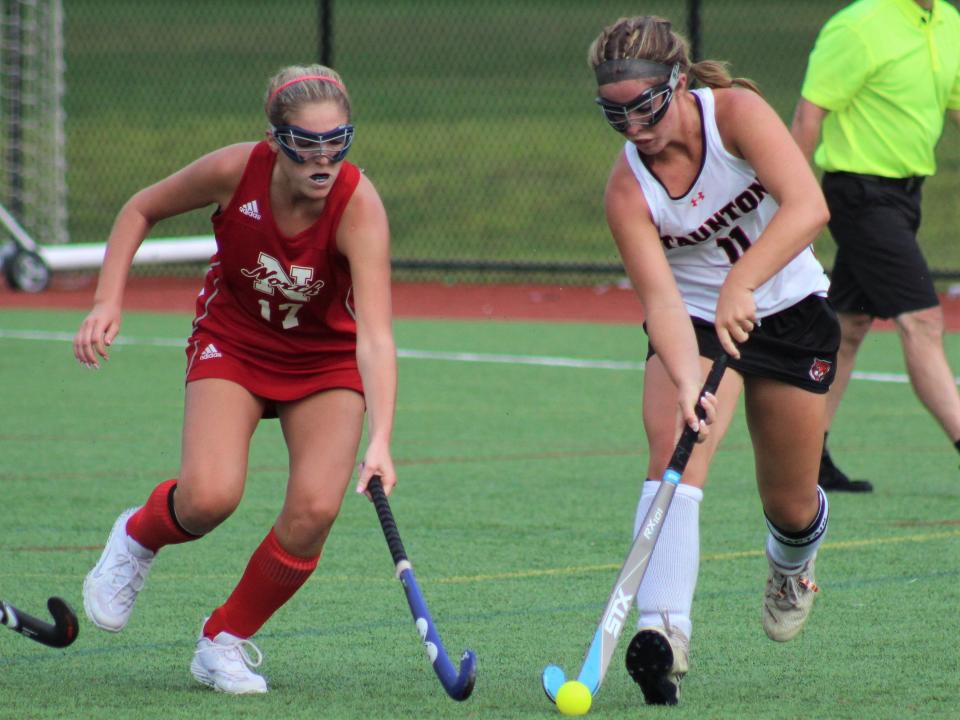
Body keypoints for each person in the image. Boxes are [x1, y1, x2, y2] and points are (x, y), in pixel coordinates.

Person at [73, 64, 397, 694]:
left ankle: (222, 639)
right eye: (307, 144)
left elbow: (376, 336)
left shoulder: (360, 207)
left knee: (315, 509)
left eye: (338, 142)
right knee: (209, 497)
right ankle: (137, 536)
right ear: (276, 140)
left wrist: (381, 437)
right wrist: (108, 300)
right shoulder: (234, 171)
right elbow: (140, 208)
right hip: (235, 343)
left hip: (323, 362)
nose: (323, 159)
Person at [586, 15, 838, 706]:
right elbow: (662, 302)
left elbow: (808, 205)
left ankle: (792, 562)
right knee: (675, 441)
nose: (634, 128)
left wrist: (741, 283)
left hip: (787, 309)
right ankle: (664, 634)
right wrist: (688, 374)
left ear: (677, 83)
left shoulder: (736, 115)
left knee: (788, 502)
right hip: (693, 323)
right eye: (615, 115)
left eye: (644, 107)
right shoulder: (627, 190)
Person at [791, 0, 960, 493]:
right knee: (922, 319)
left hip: (906, 197)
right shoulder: (860, 25)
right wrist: (787, 203)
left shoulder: (949, 23)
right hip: (859, 195)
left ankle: (808, 459)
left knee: (848, 325)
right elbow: (807, 117)